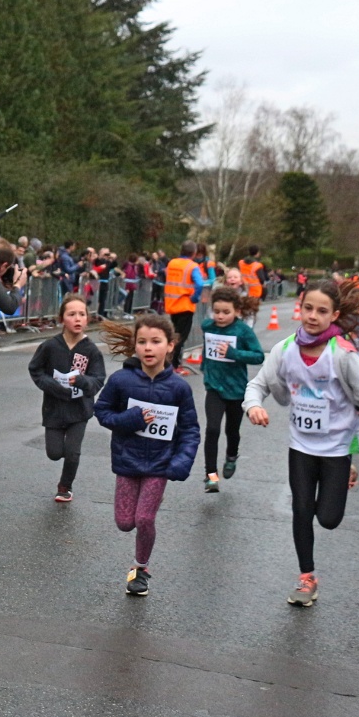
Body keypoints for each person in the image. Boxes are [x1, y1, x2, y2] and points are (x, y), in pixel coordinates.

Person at [243, 279, 359, 607]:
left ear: (334, 315)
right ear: (301, 308)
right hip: (301, 446)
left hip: (337, 447)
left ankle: (344, 474)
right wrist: (253, 406)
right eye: (308, 308)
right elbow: (258, 384)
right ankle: (307, 577)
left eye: (321, 311)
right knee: (302, 510)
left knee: (329, 519)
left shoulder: (342, 354)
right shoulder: (285, 349)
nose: (312, 316)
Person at [94, 313, 200, 595]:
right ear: (135, 345)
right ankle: (146, 514)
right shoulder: (121, 381)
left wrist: (181, 462)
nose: (148, 348)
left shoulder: (179, 387)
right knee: (125, 523)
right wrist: (131, 419)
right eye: (142, 342)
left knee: (144, 519)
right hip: (127, 462)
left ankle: (140, 569)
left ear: (170, 345)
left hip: (160, 465)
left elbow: (190, 430)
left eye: (156, 341)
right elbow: (102, 412)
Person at [28, 293, 106, 502]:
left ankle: (65, 486)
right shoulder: (50, 346)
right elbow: (36, 370)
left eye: (82, 314)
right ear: (62, 318)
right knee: (54, 453)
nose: (77, 318)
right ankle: (62, 458)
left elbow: (98, 379)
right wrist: (51, 385)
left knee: (72, 452)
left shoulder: (91, 350)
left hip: (79, 410)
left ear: (87, 318)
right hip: (53, 408)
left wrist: (82, 381)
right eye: (72, 314)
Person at [200, 286, 264, 492]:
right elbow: (207, 346)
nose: (220, 316)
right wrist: (205, 367)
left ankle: (231, 456)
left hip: (236, 390)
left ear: (237, 311)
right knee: (212, 429)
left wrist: (234, 353)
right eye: (216, 311)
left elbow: (258, 356)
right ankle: (211, 476)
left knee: (232, 430)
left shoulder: (243, 331)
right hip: (214, 387)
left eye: (226, 312)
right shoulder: (208, 326)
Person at [163, 239, 204, 373]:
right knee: (180, 338)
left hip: (172, 304)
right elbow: (199, 284)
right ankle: (173, 365)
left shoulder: (172, 263)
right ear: (194, 253)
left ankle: (170, 362)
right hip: (185, 305)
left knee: (174, 335)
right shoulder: (192, 266)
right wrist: (195, 298)